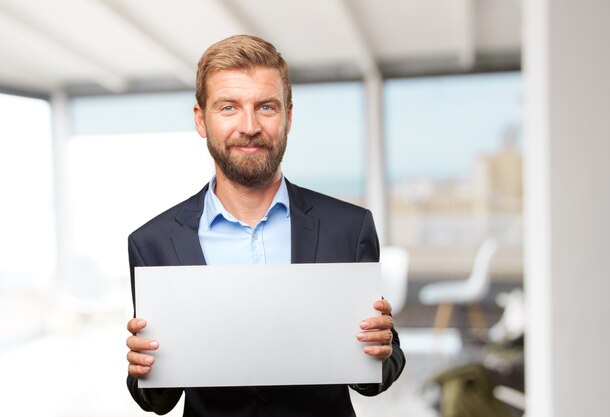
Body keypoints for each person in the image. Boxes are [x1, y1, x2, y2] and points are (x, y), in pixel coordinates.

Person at [125, 34, 405, 417]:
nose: (250, 126)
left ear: (288, 116)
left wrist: (379, 350)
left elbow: (378, 372)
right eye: (229, 108)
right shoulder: (152, 242)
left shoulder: (350, 227)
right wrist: (143, 370)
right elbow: (159, 398)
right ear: (200, 119)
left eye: (266, 107)